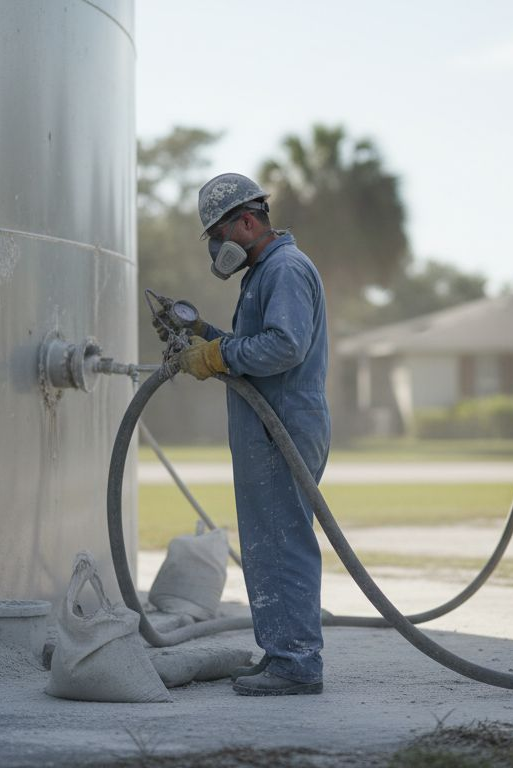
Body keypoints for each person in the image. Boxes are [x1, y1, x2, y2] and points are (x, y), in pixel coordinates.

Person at [166, 172, 330, 695]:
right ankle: (281, 652)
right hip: (267, 426)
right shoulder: (261, 274)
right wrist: (203, 336)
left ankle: (298, 663)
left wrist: (215, 356)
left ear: (248, 220)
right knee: (266, 543)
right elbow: (253, 347)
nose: (217, 247)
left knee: (283, 541)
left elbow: (283, 347)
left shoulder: (284, 269)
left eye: (220, 233)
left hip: (283, 425)